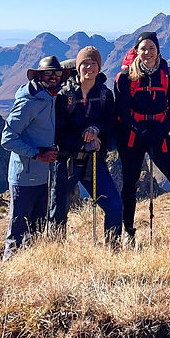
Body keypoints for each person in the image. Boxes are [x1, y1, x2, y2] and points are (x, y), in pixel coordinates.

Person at [114, 31, 170, 245]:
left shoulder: (167, 74)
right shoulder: (124, 78)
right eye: (144, 48)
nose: (148, 52)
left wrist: (162, 130)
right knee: (130, 184)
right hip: (133, 134)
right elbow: (121, 110)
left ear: (158, 50)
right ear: (136, 51)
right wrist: (138, 129)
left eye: (152, 48)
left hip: (159, 132)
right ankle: (128, 232)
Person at [50, 46, 123, 245]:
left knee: (115, 206)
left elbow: (110, 124)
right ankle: (54, 253)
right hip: (67, 160)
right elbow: (57, 134)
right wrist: (83, 143)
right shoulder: (64, 95)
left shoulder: (104, 94)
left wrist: (96, 130)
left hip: (93, 161)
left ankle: (113, 249)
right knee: (58, 211)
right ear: (77, 66)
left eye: (93, 63)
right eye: (84, 63)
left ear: (99, 67)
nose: (89, 67)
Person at [0, 55, 68, 260]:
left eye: (57, 72)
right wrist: (37, 155)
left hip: (41, 177)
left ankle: (29, 270)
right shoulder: (29, 102)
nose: (53, 76)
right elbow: (7, 139)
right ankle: (8, 269)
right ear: (39, 76)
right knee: (18, 230)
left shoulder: (51, 97)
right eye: (48, 72)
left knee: (37, 230)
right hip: (24, 177)